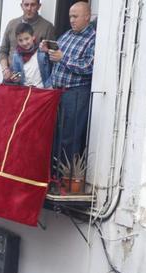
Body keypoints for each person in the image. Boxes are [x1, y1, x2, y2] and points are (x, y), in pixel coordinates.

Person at [44, 1, 95, 163]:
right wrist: (48, 50)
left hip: (76, 94)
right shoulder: (67, 34)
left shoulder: (92, 39)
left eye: (75, 16)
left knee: (69, 137)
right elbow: (56, 57)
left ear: (87, 17)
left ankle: (65, 180)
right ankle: (54, 176)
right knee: (54, 135)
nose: (71, 20)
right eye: (70, 16)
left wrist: (63, 58)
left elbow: (89, 66)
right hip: (57, 91)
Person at [0, 0, 56, 80]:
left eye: (33, 5)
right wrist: (5, 69)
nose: (29, 8)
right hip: (10, 78)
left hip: (35, 82)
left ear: (39, 6)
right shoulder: (12, 24)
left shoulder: (47, 27)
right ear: (21, 6)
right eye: (26, 5)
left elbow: (52, 56)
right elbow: (3, 50)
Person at [8, 23, 52, 88]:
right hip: (25, 90)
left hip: (42, 90)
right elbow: (18, 74)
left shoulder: (42, 52)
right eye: (20, 40)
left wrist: (49, 85)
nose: (24, 43)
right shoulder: (16, 55)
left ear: (33, 37)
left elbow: (51, 69)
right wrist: (15, 78)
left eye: (27, 39)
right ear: (17, 41)